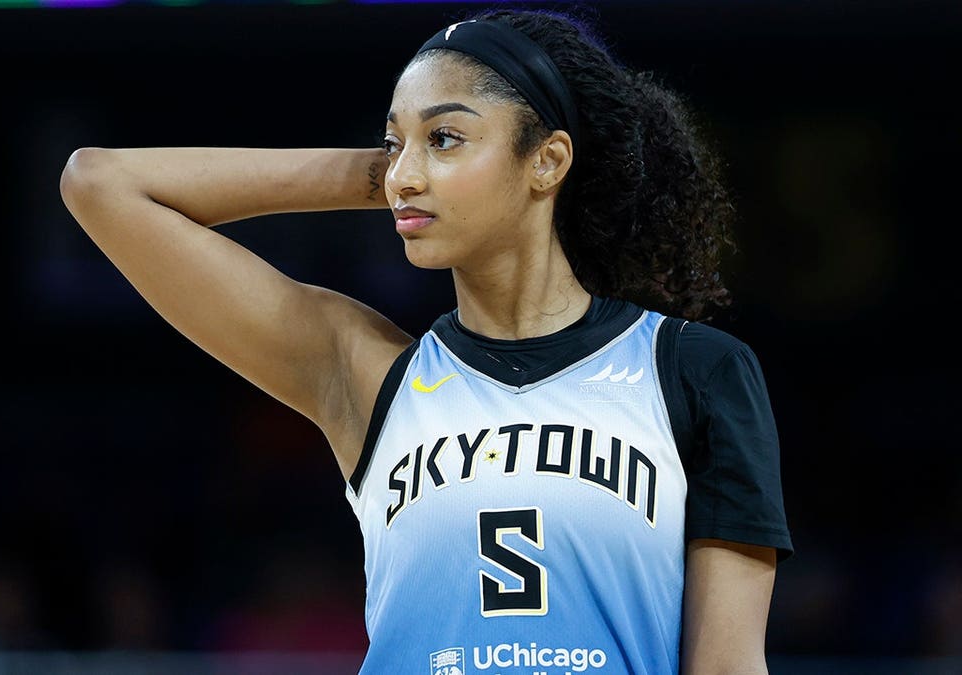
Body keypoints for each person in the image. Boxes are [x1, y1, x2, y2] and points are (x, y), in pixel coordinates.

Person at [59, 6, 793, 674]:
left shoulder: (692, 371)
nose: (405, 174)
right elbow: (100, 183)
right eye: (392, 144)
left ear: (548, 159)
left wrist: (417, 172)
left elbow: (728, 665)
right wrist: (387, 174)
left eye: (445, 138)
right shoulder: (365, 371)